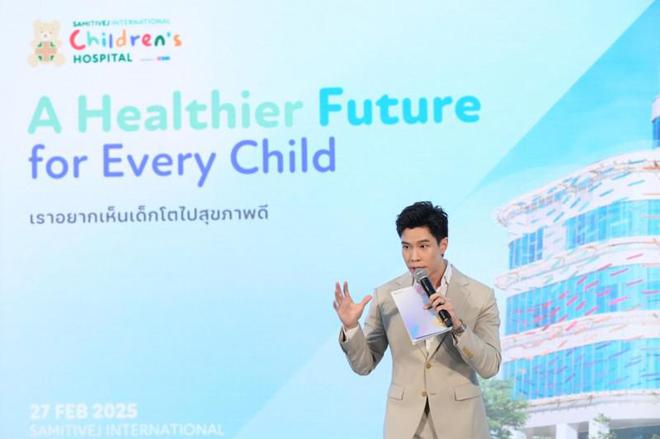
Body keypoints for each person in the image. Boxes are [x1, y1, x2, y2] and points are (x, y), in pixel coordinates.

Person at [333, 201, 501, 439]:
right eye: (406, 247)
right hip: (405, 427)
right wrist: (351, 327)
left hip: (461, 426)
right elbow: (364, 365)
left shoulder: (480, 295)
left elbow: (490, 366)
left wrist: (458, 327)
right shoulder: (386, 296)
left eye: (423, 246)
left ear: (443, 245)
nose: (413, 257)